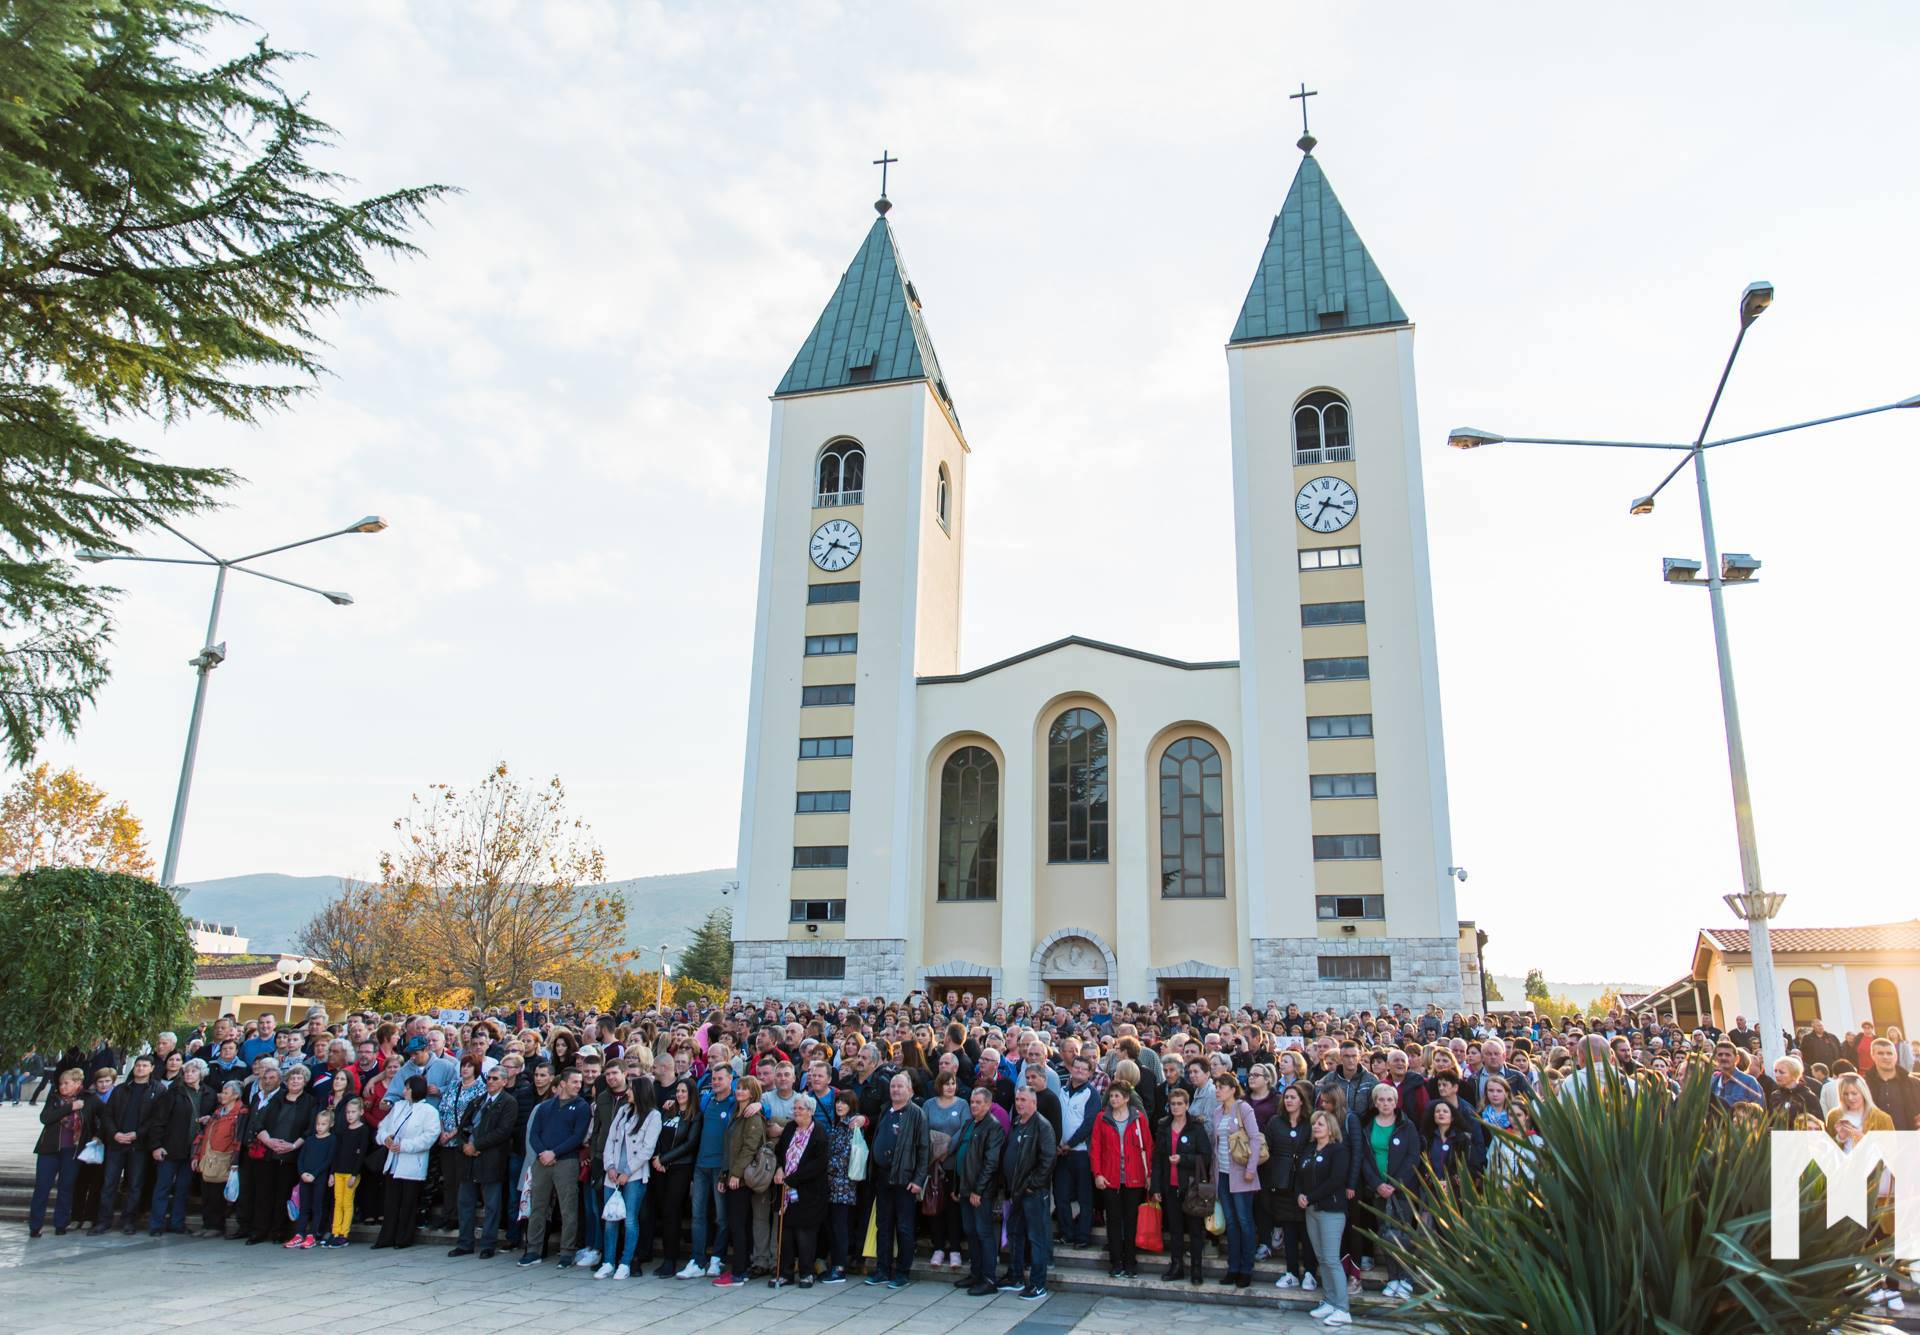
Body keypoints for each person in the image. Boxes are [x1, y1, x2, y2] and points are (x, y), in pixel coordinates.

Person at [519, 1065, 592, 1267]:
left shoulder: (582, 1106)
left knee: (568, 1207)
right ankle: (533, 1250)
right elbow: (534, 1133)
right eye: (574, 1081)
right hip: (542, 1162)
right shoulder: (545, 1106)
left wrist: (555, 1153)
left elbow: (578, 1136)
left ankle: (567, 1252)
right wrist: (543, 1153)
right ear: (562, 1084)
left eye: (580, 1082)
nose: (579, 1085)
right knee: (538, 1207)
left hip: (566, 1162)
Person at [865, 1071, 931, 1289]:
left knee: (904, 1227)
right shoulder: (886, 1110)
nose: (895, 1090)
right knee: (882, 1225)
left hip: (905, 1179)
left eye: (900, 1086)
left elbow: (924, 1150)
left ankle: (902, 1271)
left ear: (910, 1090)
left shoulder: (916, 1114)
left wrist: (919, 1179)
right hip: (883, 1178)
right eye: (893, 1086)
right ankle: (882, 1269)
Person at [1356, 1081, 1421, 1301]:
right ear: (1375, 1102)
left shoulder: (1406, 1125)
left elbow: (1413, 1156)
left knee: (1402, 1235)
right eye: (1381, 1100)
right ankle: (1393, 1277)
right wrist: (1377, 1184)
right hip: (1378, 1189)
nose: (1385, 1103)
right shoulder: (1368, 1125)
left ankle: (1406, 1278)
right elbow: (1365, 1158)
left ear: (1396, 1102)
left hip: (1401, 1190)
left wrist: (1395, 1183)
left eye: (1389, 1099)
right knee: (1385, 1234)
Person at [595, 1075, 661, 1279]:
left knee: (630, 1219)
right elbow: (610, 1141)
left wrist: (627, 1171)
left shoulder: (653, 1116)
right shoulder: (623, 1111)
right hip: (613, 1174)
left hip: (634, 1175)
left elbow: (647, 1149)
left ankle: (625, 1262)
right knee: (610, 1218)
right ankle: (608, 1261)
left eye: (631, 1089)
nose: (627, 1092)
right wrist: (610, 1167)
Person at [451, 1065, 518, 1259]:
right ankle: (465, 1242)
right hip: (469, 1159)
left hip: (490, 1159)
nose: (490, 1081)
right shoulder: (477, 1101)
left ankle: (488, 1244)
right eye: (489, 1078)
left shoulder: (508, 1102)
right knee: (465, 1202)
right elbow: (463, 1125)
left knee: (492, 1205)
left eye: (495, 1078)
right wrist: (464, 1145)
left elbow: (503, 1131)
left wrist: (477, 1145)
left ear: (505, 1082)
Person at [997, 1084, 1056, 1302]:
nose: (1019, 1103)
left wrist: (1033, 1184)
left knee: (1037, 1238)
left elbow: (1048, 1159)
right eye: (1017, 1099)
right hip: (1016, 1191)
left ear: (1034, 1102)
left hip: (1032, 1192)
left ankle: (1038, 1284)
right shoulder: (1016, 1123)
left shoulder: (1042, 1126)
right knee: (1014, 1232)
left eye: (1023, 1100)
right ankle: (1015, 1276)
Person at [1090, 1080, 1151, 1279]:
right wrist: (1098, 1173)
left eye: (1117, 1096)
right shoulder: (1102, 1118)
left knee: (1131, 1220)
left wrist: (1148, 1174)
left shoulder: (1138, 1118)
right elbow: (1096, 1148)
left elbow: (1148, 1147)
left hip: (1134, 1178)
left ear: (1126, 1098)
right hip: (1110, 1177)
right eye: (1111, 1096)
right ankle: (1116, 1261)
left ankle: (1130, 1261)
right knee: (1114, 1221)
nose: (1113, 1099)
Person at [680, 1062, 736, 1278]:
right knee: (698, 1215)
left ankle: (717, 1258)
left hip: (720, 1168)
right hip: (701, 1166)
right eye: (713, 1078)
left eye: (720, 1078)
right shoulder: (706, 1100)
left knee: (722, 1217)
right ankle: (697, 1259)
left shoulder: (734, 1103)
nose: (715, 1082)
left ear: (730, 1080)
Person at [248, 1063, 315, 1244]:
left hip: (291, 1155)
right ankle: (259, 1232)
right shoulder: (276, 1099)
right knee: (263, 1194)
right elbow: (258, 1123)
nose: (295, 1081)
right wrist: (269, 1141)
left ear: (305, 1082)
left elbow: (310, 1129)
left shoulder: (309, 1101)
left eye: (299, 1078)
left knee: (283, 1195)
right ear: (286, 1081)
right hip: (268, 1153)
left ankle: (279, 1232)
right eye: (292, 1078)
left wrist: (293, 1146)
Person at [1297, 1109, 1353, 1327]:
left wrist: (1309, 1196)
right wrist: (1300, 1195)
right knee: (1321, 1258)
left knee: (1331, 1258)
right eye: (1314, 1124)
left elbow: (1335, 1180)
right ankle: (1330, 1300)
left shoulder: (1337, 1150)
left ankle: (1342, 1307)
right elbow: (1300, 1175)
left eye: (1320, 1124)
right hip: (1312, 1210)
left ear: (1331, 1128)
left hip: (1331, 1210)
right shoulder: (1309, 1149)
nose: (1316, 1127)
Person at [94, 1052, 158, 1234]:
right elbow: (108, 1115)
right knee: (109, 1184)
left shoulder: (157, 1090)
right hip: (116, 1144)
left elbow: (155, 1119)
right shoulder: (121, 1089)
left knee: (135, 1185)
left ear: (151, 1069)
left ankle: (129, 1221)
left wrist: (137, 1134)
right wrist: (115, 1134)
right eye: (138, 1065)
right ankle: (103, 1221)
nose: (140, 1068)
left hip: (138, 1146)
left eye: (145, 1066)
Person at [372, 1075, 440, 1249]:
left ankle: (403, 1238)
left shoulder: (429, 1111)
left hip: (412, 1163)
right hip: (393, 1160)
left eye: (407, 1088)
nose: (403, 1091)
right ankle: (386, 1237)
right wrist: (385, 1138)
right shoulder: (399, 1106)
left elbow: (429, 1137)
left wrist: (404, 1146)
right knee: (391, 1202)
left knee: (408, 1203)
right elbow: (383, 1126)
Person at [770, 1091, 829, 1287]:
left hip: (808, 1192)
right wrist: (779, 1168)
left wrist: (793, 1179)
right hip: (786, 1191)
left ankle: (806, 1272)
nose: (796, 1112)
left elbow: (818, 1164)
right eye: (794, 1108)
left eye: (800, 1108)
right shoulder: (789, 1129)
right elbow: (780, 1152)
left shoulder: (818, 1132)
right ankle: (785, 1272)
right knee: (785, 1233)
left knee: (805, 1235)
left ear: (810, 1111)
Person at [954, 1083, 1007, 1295]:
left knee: (983, 1233)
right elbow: (962, 1156)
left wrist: (978, 1190)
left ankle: (988, 1278)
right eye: (972, 1102)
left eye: (979, 1103)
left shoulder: (993, 1127)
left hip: (980, 1192)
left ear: (988, 1104)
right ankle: (975, 1273)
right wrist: (958, 1187)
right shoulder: (969, 1124)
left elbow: (990, 1163)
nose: (974, 1105)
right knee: (970, 1232)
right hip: (965, 1189)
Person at [715, 1073, 768, 1287]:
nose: (739, 1091)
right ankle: (741, 1267)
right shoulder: (737, 1113)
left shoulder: (753, 1116)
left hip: (743, 1178)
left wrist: (735, 1174)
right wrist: (724, 1175)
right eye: (738, 1088)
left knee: (738, 1224)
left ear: (753, 1092)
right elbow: (729, 1149)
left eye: (745, 1089)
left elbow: (749, 1148)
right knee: (738, 1223)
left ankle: (738, 1271)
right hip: (732, 1175)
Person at [1212, 1072, 1262, 1288]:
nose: (1217, 1090)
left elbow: (1255, 1139)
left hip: (1241, 1173)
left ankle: (1246, 1268)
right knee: (1231, 1222)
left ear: (1233, 1089)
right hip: (1222, 1173)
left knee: (1244, 1220)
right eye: (1216, 1086)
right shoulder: (1216, 1112)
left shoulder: (1243, 1109)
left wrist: (1251, 1169)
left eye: (1222, 1086)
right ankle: (1233, 1267)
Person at [1265, 1080, 1316, 1291]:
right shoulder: (1276, 1122)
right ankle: (1292, 1272)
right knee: (1289, 1229)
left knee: (1307, 1231)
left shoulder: (1310, 1123)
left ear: (1302, 1101)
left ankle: (1310, 1273)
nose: (1289, 1101)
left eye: (1293, 1097)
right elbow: (1268, 1148)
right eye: (1286, 1097)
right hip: (1282, 1183)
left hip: (1304, 1184)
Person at [143, 1058, 202, 1236]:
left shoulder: (207, 1094)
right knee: (163, 1187)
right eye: (187, 1072)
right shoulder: (173, 1093)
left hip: (192, 1150)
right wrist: (156, 1146)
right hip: (170, 1148)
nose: (189, 1075)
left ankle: (178, 1223)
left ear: (201, 1074)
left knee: (183, 1189)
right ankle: (156, 1225)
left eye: (193, 1071)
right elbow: (159, 1121)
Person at [29, 1069, 88, 1238]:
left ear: (77, 1084)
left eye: (66, 1083)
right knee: (42, 1187)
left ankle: (61, 1223)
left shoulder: (86, 1099)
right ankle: (35, 1225)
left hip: (72, 1150)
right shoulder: (54, 1099)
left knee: (66, 1187)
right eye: (61, 1083)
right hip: (49, 1149)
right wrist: (70, 1107)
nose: (62, 1087)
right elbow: (45, 1118)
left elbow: (95, 1119)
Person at [650, 1078, 700, 1278]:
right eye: (677, 1091)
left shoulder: (695, 1116)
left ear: (691, 1094)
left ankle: (671, 1259)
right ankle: (666, 1257)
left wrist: (665, 1158)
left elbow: (689, 1144)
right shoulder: (668, 1111)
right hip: (661, 1167)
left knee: (672, 1211)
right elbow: (658, 1135)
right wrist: (658, 1158)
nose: (679, 1095)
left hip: (680, 1167)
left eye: (683, 1092)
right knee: (664, 1211)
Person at [921, 1069, 968, 1271]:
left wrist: (947, 1150)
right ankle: (938, 1247)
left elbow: (964, 1128)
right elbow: (923, 1129)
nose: (950, 1087)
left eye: (953, 1083)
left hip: (952, 1164)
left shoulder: (962, 1104)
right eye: (946, 1083)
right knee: (935, 1205)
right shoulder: (929, 1105)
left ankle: (955, 1249)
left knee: (953, 1208)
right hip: (933, 1165)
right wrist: (934, 1152)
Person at [192, 1080, 245, 1239]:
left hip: (223, 1158)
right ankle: (207, 1224)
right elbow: (203, 1135)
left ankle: (216, 1226)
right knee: (207, 1193)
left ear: (235, 1095)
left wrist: (234, 1161)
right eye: (222, 1092)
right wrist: (196, 1155)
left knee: (217, 1195)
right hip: (208, 1157)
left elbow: (238, 1139)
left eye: (226, 1093)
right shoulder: (218, 1111)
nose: (222, 1095)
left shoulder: (240, 1113)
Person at [1055, 1053, 1098, 1246]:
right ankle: (1066, 1233)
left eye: (1083, 1068)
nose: (1079, 1071)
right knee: (1061, 1196)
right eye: (1076, 1067)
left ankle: (1083, 1236)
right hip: (1061, 1153)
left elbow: (1088, 1124)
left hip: (1080, 1152)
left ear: (1090, 1073)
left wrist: (1069, 1144)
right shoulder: (1062, 1091)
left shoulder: (1092, 1094)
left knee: (1084, 1198)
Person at [290, 1107, 337, 1248]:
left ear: (331, 1125)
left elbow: (328, 1160)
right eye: (318, 1124)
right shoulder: (310, 1139)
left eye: (323, 1124)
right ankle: (299, 1233)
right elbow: (301, 1159)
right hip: (305, 1178)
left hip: (319, 1179)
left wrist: (314, 1174)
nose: (320, 1127)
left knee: (317, 1207)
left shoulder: (332, 1139)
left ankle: (312, 1235)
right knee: (304, 1207)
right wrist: (303, 1173)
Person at [327, 1097, 371, 1247]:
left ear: (361, 1112)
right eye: (347, 1112)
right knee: (337, 1202)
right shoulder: (343, 1131)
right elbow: (336, 1153)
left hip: (351, 1173)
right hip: (339, 1171)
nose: (350, 1115)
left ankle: (344, 1234)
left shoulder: (363, 1130)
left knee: (347, 1202)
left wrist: (354, 1174)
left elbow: (361, 1154)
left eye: (353, 1112)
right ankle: (335, 1231)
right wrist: (332, 1173)